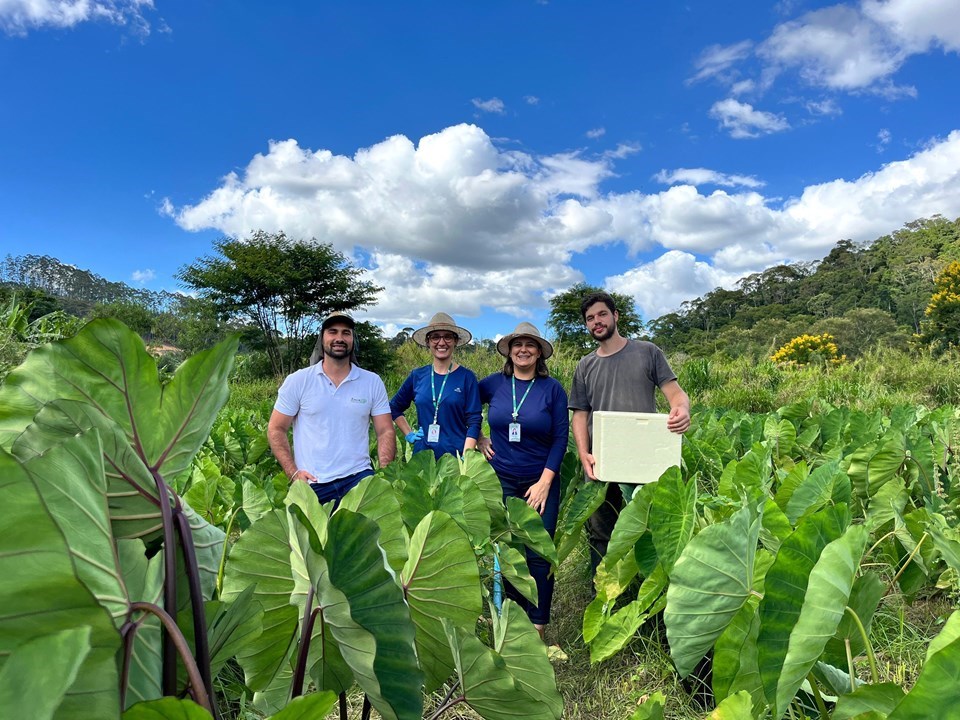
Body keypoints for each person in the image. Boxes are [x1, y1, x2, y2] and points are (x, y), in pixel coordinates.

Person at [569, 292, 691, 572]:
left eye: (601, 314)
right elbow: (580, 414)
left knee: (646, 531)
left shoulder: (647, 352)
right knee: (601, 532)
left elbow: (676, 394)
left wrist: (682, 410)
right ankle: (601, 593)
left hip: (644, 460)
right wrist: (583, 452)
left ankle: (642, 600)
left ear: (615, 316)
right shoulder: (585, 365)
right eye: (590, 319)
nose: (596, 322)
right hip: (603, 460)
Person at [478, 322, 568, 640]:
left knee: (538, 552)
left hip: (539, 480)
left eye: (530, 344)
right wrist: (477, 436)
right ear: (509, 350)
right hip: (501, 478)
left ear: (539, 352)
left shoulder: (552, 389)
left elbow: (560, 438)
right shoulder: (494, 384)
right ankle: (512, 616)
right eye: (518, 344)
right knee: (507, 549)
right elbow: (465, 407)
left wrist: (545, 482)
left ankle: (538, 623)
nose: (523, 350)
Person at [267, 312, 396, 506]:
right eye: (332, 332)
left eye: (346, 333)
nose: (339, 338)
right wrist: (293, 473)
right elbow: (276, 429)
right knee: (314, 537)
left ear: (353, 339)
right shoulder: (299, 381)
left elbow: (385, 430)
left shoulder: (371, 381)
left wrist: (384, 475)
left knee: (369, 537)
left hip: (359, 479)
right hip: (313, 482)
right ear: (322, 338)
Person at [390, 312, 482, 460]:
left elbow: (474, 420)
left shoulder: (467, 377)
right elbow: (394, 407)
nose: (441, 342)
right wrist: (409, 433)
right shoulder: (417, 376)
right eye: (435, 337)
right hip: (423, 458)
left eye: (448, 337)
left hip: (456, 457)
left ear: (455, 341)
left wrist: (467, 454)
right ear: (428, 342)